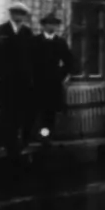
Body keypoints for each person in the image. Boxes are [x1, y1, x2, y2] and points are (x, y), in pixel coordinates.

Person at [0, 1, 37, 159]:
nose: (18, 16)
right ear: (11, 14)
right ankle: (8, 145)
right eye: (15, 13)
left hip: (24, 82)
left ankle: (20, 143)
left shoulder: (27, 33)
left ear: (24, 16)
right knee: (6, 113)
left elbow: (33, 57)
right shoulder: (0, 31)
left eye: (21, 14)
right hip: (6, 81)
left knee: (23, 112)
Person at [34, 12, 74, 141]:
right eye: (49, 24)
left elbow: (70, 62)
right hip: (36, 84)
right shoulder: (35, 41)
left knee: (49, 114)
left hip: (53, 85)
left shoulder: (60, 42)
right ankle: (30, 139)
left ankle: (46, 139)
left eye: (55, 24)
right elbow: (28, 61)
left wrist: (60, 74)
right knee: (34, 112)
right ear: (43, 25)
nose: (52, 27)